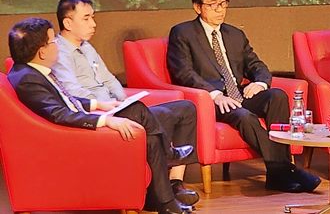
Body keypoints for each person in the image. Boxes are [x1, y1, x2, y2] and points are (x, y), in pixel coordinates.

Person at [7, 18, 194, 214]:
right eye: (53, 41)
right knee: (138, 113)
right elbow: (59, 114)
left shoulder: (31, 72)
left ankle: (163, 201)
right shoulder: (28, 79)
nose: (57, 46)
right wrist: (105, 120)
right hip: (71, 138)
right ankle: (168, 162)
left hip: (75, 126)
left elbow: (65, 100)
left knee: (149, 133)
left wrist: (98, 104)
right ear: (42, 52)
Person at [166, 0, 321, 193]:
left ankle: (278, 175)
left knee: (277, 96)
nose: (220, 10)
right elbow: (184, 73)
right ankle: (285, 170)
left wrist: (260, 83)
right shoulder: (183, 33)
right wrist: (214, 94)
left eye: (223, 3)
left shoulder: (235, 34)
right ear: (197, 7)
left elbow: (256, 65)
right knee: (244, 116)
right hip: (211, 101)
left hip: (238, 94)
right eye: (212, 4)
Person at [50, 0, 200, 209]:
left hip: (116, 107)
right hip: (99, 115)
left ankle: (174, 183)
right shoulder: (59, 52)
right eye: (86, 18)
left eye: (93, 17)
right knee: (158, 116)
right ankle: (166, 165)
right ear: (67, 23)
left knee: (186, 108)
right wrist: (107, 106)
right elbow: (73, 93)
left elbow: (109, 80)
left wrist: (123, 101)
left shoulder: (87, 47)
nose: (93, 24)